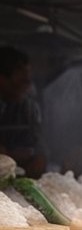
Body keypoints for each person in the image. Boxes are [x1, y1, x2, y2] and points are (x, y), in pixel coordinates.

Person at [0, 46, 46, 177]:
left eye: (27, 82)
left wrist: (40, 157)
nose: (24, 88)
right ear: (2, 78)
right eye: (20, 82)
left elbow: (40, 144)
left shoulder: (29, 107)